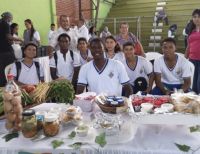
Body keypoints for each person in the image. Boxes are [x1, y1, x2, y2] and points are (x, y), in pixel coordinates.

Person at [0, 12, 22, 86]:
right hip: (7, 52)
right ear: (8, 18)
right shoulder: (5, 24)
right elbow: (8, 37)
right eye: (11, 19)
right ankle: (11, 86)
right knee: (11, 70)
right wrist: (20, 39)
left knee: (2, 71)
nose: (11, 21)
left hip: (1, 52)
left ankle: (3, 87)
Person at [185, 9, 200, 94]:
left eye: (199, 16)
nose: (197, 19)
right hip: (192, 60)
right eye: (195, 17)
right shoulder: (191, 30)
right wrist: (185, 57)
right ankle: (195, 102)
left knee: (199, 83)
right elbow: (189, 45)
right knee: (193, 84)